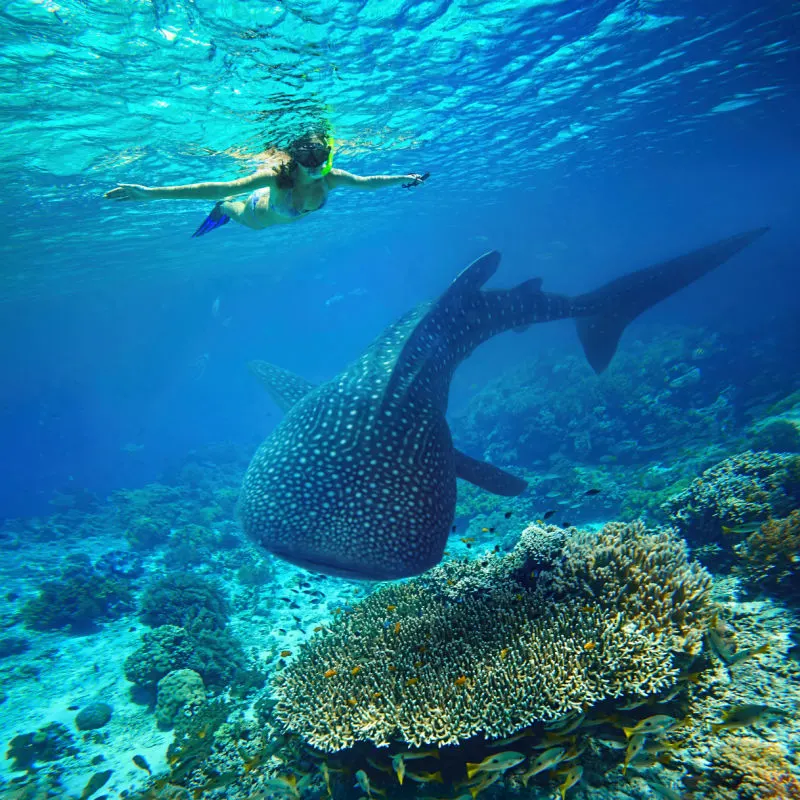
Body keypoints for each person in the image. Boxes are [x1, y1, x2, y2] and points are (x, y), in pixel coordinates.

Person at [103, 130, 429, 237]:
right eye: (306, 157)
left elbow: (368, 182)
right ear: (294, 158)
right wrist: (151, 194)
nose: (315, 166)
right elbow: (218, 187)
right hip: (258, 214)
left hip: (280, 212)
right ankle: (223, 213)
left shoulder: (332, 177)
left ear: (329, 154)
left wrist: (404, 177)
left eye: (321, 156)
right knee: (228, 205)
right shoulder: (275, 178)